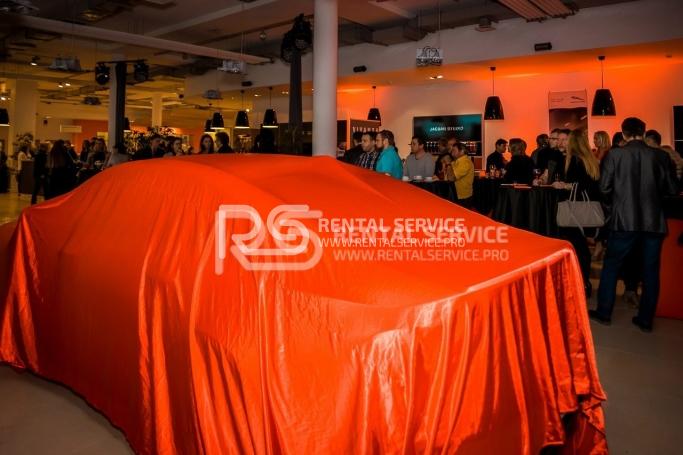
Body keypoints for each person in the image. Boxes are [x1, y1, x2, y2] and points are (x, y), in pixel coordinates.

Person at [590, 118, 677, 332]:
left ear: (624, 133)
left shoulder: (615, 155)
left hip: (623, 220)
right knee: (650, 270)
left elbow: (604, 188)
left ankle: (604, 312)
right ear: (643, 132)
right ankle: (645, 320)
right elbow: (672, 189)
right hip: (653, 221)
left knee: (612, 265)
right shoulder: (661, 156)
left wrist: (614, 208)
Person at [552, 129, 601, 297]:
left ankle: (578, 283)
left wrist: (563, 185)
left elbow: (577, 184)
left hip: (573, 210)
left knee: (575, 246)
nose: (563, 143)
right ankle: (584, 282)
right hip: (585, 210)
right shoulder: (590, 159)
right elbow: (590, 184)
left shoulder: (574, 160)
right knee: (582, 247)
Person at [448, 141, 474, 208]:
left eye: (454, 150)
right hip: (458, 195)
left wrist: (448, 165)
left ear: (462, 151)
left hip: (463, 197)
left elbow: (451, 178)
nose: (451, 152)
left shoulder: (465, 162)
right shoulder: (457, 161)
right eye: (452, 150)